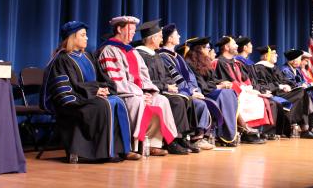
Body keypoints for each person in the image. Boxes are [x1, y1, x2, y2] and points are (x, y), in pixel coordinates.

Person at [40, 21, 139, 162]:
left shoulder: (88, 57)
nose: (87, 38)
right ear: (72, 37)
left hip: (89, 97)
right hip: (74, 102)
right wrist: (94, 91)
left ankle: (121, 150)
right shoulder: (62, 59)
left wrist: (105, 89)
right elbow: (65, 91)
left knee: (118, 101)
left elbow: (104, 79)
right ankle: (101, 152)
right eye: (83, 35)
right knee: (102, 105)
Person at [96, 15, 179, 156]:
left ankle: (152, 143)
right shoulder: (109, 49)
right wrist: (140, 93)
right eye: (131, 29)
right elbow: (116, 80)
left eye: (134, 30)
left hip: (139, 92)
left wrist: (148, 91)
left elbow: (144, 75)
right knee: (138, 101)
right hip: (121, 92)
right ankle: (131, 147)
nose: (134, 33)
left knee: (161, 100)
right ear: (119, 29)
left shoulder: (132, 50)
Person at [135, 19, 199, 154]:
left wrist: (171, 85)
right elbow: (144, 80)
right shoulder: (140, 55)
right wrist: (166, 86)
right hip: (150, 91)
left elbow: (165, 76)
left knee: (185, 98)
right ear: (152, 39)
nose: (161, 39)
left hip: (161, 89)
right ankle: (173, 141)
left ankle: (183, 138)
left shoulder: (155, 55)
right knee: (177, 101)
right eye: (159, 36)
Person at [157, 24, 214, 150]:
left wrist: (195, 90)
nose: (180, 36)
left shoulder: (178, 57)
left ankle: (196, 137)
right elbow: (175, 78)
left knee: (202, 102)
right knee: (199, 104)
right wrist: (189, 93)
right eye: (177, 34)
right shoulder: (163, 57)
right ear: (170, 39)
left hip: (187, 92)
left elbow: (190, 77)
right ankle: (194, 138)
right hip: (176, 92)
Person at [214, 36, 272, 144]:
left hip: (241, 90)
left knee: (257, 98)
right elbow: (227, 81)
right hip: (230, 91)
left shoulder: (235, 62)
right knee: (248, 100)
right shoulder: (220, 62)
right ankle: (245, 132)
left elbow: (244, 79)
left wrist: (249, 89)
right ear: (226, 47)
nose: (237, 46)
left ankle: (251, 131)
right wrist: (243, 89)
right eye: (234, 44)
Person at [254, 45, 313, 139]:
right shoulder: (259, 67)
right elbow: (261, 85)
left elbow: (285, 80)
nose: (277, 55)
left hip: (281, 92)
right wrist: (279, 86)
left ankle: (305, 128)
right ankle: (305, 126)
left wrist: (290, 85)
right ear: (266, 56)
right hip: (273, 93)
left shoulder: (274, 68)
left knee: (302, 91)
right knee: (301, 93)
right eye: (274, 53)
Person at [184, 37, 240, 146]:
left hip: (212, 90)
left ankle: (226, 134)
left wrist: (223, 83)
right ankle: (225, 134)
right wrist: (218, 87)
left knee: (229, 92)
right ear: (200, 49)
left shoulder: (205, 62)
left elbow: (213, 79)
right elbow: (201, 85)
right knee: (224, 94)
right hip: (204, 92)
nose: (209, 50)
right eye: (207, 48)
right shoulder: (190, 63)